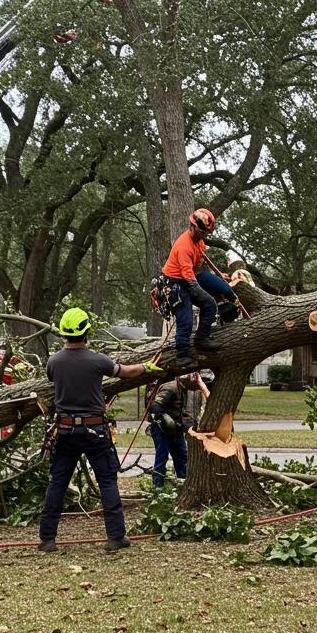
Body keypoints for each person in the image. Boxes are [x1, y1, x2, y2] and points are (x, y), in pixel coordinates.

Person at [38, 308, 164, 553]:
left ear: (64, 333)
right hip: (95, 430)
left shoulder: (54, 362)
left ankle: (47, 539)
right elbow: (125, 372)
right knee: (107, 481)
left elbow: (55, 380)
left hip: (65, 431)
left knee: (58, 483)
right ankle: (115, 537)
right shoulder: (98, 360)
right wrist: (146, 367)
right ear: (86, 332)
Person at [161, 207, 238, 369]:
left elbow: (200, 267)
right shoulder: (184, 246)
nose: (204, 236)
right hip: (175, 283)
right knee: (186, 318)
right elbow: (191, 281)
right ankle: (182, 355)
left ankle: (202, 338)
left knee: (211, 302)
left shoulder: (199, 241)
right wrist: (210, 295)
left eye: (206, 233)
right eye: (202, 232)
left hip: (192, 276)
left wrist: (217, 285)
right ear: (193, 227)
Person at [148, 373, 207, 488]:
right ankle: (157, 487)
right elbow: (154, 406)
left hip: (176, 429)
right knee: (162, 457)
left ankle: (183, 484)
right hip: (161, 429)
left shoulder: (184, 390)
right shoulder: (170, 388)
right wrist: (167, 419)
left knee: (182, 456)